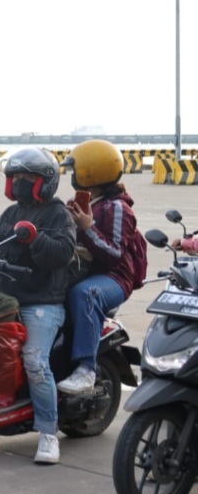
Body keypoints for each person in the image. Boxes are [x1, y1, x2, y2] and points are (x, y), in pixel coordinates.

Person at [0, 148, 76, 465]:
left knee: (34, 359)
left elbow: (62, 253)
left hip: (41, 301)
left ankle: (48, 432)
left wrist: (35, 240)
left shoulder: (59, 215)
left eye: (25, 177)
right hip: (4, 297)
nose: (18, 182)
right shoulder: (11, 214)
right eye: (14, 177)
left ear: (44, 182)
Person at [55, 140, 140, 395]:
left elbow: (114, 254)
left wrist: (87, 227)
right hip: (84, 272)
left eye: (75, 171)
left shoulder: (117, 208)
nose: (72, 178)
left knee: (84, 294)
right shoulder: (86, 202)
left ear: (91, 171)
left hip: (114, 277)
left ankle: (86, 369)